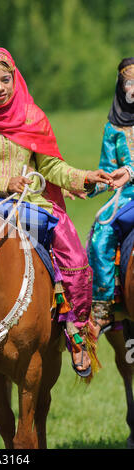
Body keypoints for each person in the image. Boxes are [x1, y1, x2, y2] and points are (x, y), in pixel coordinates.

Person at [0, 47, 114, 378]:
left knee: (75, 257)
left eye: (5, 80)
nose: (0, 87)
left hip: (32, 205)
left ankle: (75, 331)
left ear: (15, 79)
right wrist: (4, 182)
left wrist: (86, 177)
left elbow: (51, 167)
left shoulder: (33, 117)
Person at [87, 57, 134, 336]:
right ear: (121, 87)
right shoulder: (112, 128)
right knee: (101, 230)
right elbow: (108, 169)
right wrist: (91, 184)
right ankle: (103, 304)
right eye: (129, 82)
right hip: (125, 197)